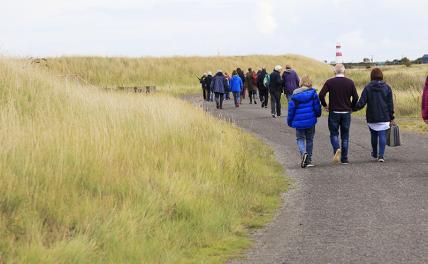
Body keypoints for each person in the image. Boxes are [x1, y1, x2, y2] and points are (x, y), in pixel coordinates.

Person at [319, 64, 359, 164]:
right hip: (346, 112)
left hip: (334, 112)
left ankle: (337, 148)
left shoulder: (330, 82)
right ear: (344, 71)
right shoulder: (350, 82)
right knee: (345, 136)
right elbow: (355, 97)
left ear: (334, 72)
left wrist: (325, 105)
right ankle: (344, 159)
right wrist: (352, 107)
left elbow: (321, 94)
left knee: (334, 134)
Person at [353, 68, 394, 162]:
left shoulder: (368, 87)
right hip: (384, 115)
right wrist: (391, 117)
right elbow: (390, 104)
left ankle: (375, 153)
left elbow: (362, 103)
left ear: (372, 76)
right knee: (382, 134)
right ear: (381, 75)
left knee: (374, 135)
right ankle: (381, 156)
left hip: (372, 116)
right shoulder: (387, 87)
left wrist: (353, 108)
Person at [287, 76, 322, 168]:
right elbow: (317, 107)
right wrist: (318, 114)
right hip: (311, 121)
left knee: (300, 139)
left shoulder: (295, 94)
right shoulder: (313, 93)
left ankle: (303, 153)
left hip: (299, 122)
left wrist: (289, 121)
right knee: (310, 139)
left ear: (301, 82)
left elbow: (291, 109)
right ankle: (309, 160)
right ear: (310, 82)